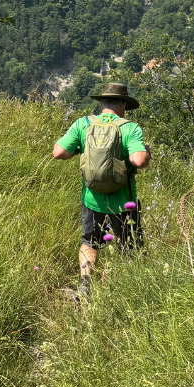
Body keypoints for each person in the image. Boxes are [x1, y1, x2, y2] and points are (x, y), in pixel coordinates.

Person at [51, 81, 150, 298]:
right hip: (124, 203)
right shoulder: (129, 128)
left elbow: (58, 153)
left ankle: (85, 286)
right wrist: (146, 152)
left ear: (102, 103)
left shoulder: (83, 124)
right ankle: (125, 292)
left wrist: (79, 150)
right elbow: (140, 160)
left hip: (92, 200)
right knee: (129, 247)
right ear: (124, 104)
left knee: (90, 242)